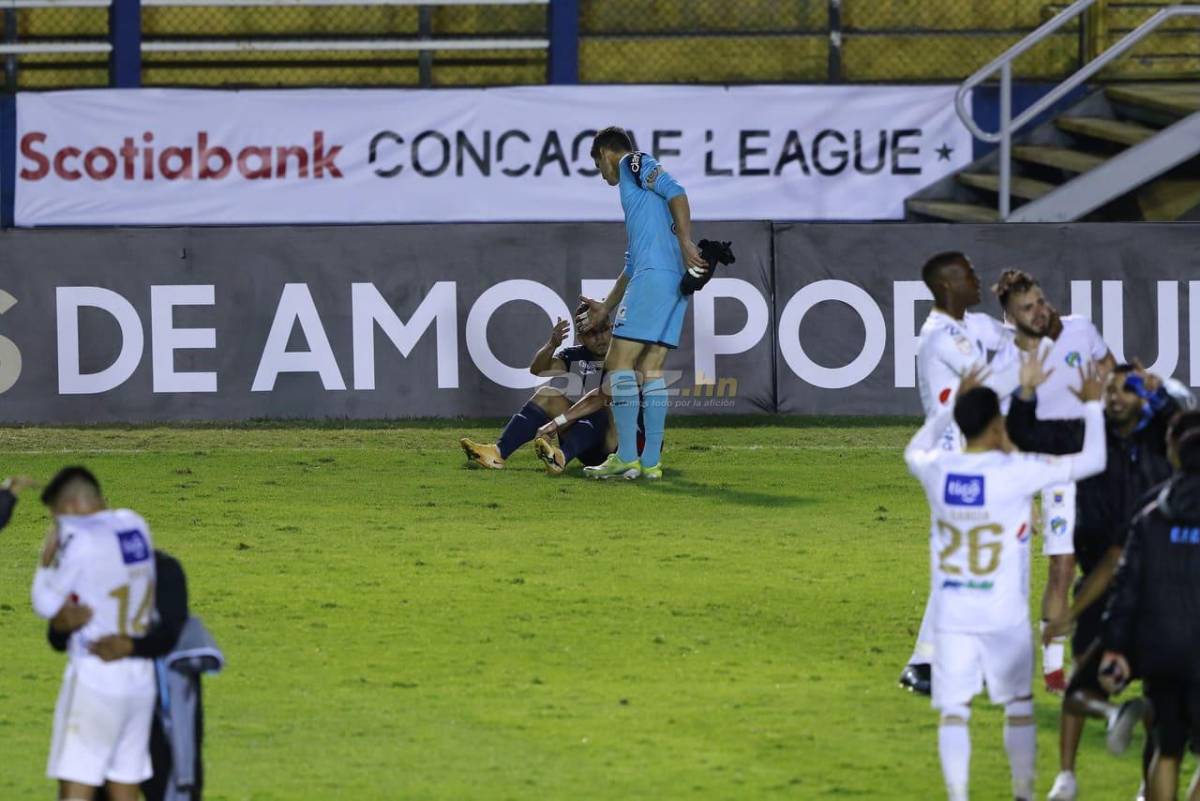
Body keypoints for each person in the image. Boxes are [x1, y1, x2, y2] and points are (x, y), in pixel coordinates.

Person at [905, 360, 1107, 801]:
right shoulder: (1018, 473)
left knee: (954, 713)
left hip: (956, 616)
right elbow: (1093, 460)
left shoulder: (937, 469)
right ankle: (1022, 792)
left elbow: (914, 449)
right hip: (1003, 616)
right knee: (1018, 709)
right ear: (998, 425)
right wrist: (1092, 406)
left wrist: (949, 406)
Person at [1009, 362, 1178, 801]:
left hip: (1148, 583)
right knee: (1081, 680)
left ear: (1144, 399)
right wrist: (1026, 394)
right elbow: (1029, 435)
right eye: (1110, 389)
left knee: (1158, 699)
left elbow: (1183, 417)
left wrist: (1161, 393)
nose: (1115, 396)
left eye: (1126, 389)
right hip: (1098, 577)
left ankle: (1148, 785)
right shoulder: (1087, 434)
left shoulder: (1160, 438)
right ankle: (1066, 775)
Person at [988, 268, 1116, 694]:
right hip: (1051, 460)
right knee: (1062, 565)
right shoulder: (1011, 361)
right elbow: (1006, 432)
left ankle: (1107, 654)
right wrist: (1025, 495)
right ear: (1011, 318)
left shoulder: (1080, 329)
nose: (1039, 311)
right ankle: (1054, 669)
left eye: (1040, 300)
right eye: (1027, 307)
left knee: (1109, 558)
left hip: (1095, 450)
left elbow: (1108, 364)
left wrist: (1108, 384)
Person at [901, 251, 1014, 696]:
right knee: (965, 563)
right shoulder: (939, 335)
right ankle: (925, 661)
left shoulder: (968, 327)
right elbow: (990, 382)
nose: (976, 277)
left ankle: (947, 658)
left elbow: (1007, 345)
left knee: (976, 560)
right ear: (948, 285)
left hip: (973, 458)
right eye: (968, 273)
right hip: (952, 462)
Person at [575, 126, 708, 481]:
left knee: (618, 364)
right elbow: (632, 264)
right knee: (650, 369)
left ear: (605, 154)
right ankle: (650, 463)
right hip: (673, 283)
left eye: (598, 166)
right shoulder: (640, 203)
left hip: (656, 277)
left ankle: (626, 457)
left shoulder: (634, 163)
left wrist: (685, 242)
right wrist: (606, 306)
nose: (602, 176)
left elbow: (677, 192)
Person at [31, 467, 158, 801]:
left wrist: (46, 561)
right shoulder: (135, 524)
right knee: (124, 786)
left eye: (56, 516)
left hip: (96, 680)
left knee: (75, 787)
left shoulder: (82, 541)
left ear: (72, 506)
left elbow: (44, 603)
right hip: (139, 678)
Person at [1101, 410, 1200, 801]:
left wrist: (1115, 648)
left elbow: (1125, 589)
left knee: (1167, 749)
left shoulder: (1151, 516)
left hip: (1161, 653)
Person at [48, 549, 195, 801]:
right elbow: (56, 637)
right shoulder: (83, 566)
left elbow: (171, 634)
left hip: (147, 703)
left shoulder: (161, 569)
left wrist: (132, 647)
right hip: (123, 696)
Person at [460, 307, 611, 469]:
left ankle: (560, 457)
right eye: (592, 333)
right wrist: (552, 345)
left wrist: (556, 422)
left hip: (617, 444)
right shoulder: (575, 356)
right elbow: (538, 369)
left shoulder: (625, 355)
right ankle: (497, 453)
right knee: (547, 395)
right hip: (585, 441)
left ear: (612, 329)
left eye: (604, 330)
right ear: (581, 338)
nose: (600, 338)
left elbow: (601, 399)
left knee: (605, 406)